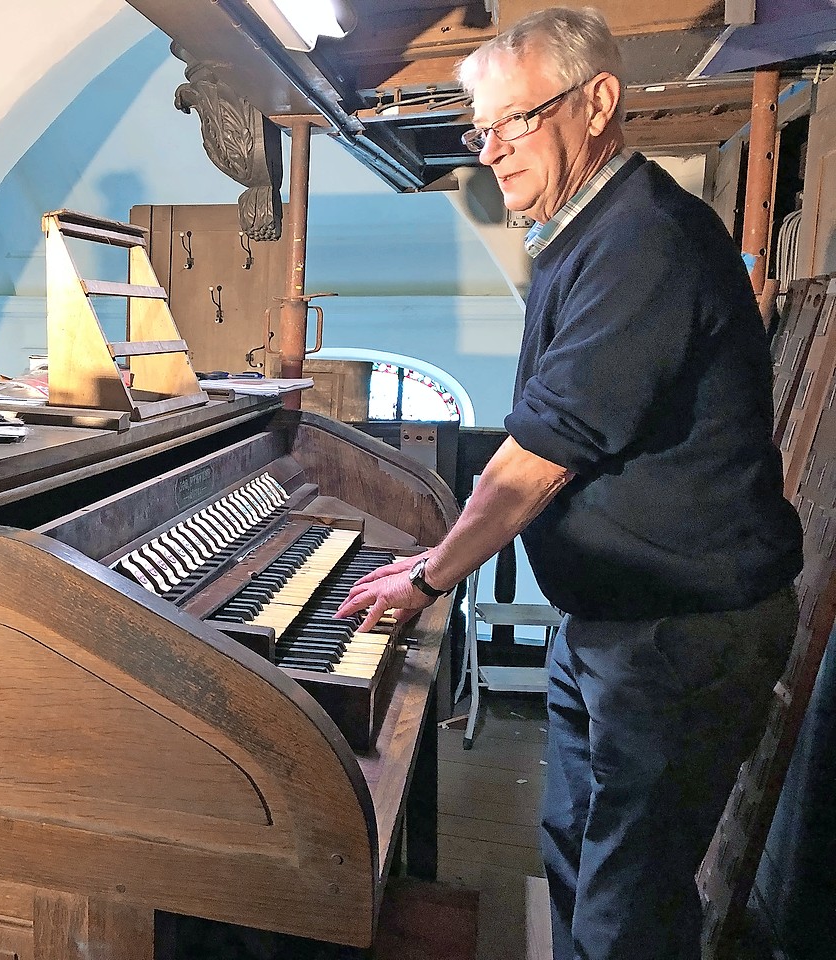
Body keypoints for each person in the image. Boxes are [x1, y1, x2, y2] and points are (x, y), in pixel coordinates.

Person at [334, 8, 804, 960]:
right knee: (575, 858)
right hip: (617, 622)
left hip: (681, 632)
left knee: (630, 903)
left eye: (516, 121)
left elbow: (535, 458)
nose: (493, 151)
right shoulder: (588, 231)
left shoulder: (645, 242)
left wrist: (427, 576)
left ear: (598, 103)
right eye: (482, 129)